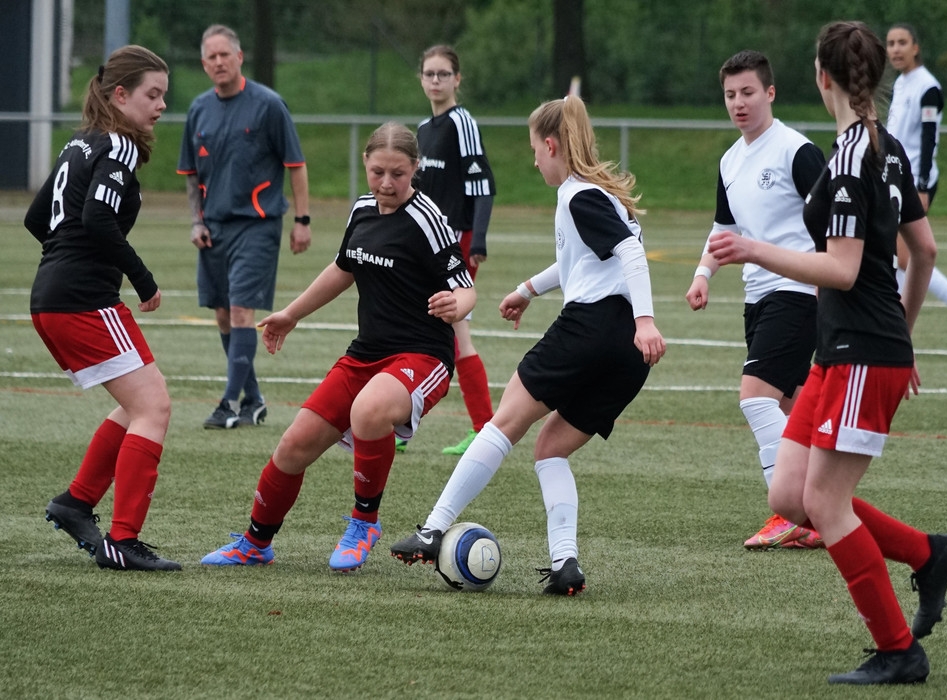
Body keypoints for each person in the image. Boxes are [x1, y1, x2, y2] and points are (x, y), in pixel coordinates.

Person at [708, 21, 947, 685]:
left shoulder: (852, 158)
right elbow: (924, 251)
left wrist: (754, 249)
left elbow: (844, 270)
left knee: (825, 504)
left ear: (821, 77)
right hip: (843, 348)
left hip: (860, 351)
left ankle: (898, 650)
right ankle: (927, 554)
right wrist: (904, 335)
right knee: (790, 494)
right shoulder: (883, 146)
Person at [391, 95, 666, 596]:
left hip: (594, 327)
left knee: (504, 423)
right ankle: (565, 564)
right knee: (550, 449)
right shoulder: (600, 195)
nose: (534, 161)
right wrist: (527, 290)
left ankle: (433, 529)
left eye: (535, 149)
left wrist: (646, 320)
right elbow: (581, 260)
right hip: (626, 354)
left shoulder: (578, 194)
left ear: (552, 145)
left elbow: (629, 252)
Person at [201, 122, 476, 571]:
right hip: (366, 353)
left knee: (368, 410)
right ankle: (254, 543)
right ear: (365, 164)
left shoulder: (428, 219)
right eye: (378, 172)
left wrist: (455, 304)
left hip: (423, 356)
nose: (386, 183)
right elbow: (343, 268)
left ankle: (364, 523)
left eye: (398, 174)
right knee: (293, 446)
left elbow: (466, 288)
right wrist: (291, 313)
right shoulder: (363, 210)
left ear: (415, 168)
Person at [25, 45, 181, 571]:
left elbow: (36, 218)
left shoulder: (82, 141)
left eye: (163, 95)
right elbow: (96, 218)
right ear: (120, 95)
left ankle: (75, 503)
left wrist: (63, 261)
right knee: (154, 407)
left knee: (137, 405)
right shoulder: (119, 144)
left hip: (53, 297)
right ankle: (124, 541)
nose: (161, 105)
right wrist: (142, 278)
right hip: (83, 300)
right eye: (152, 94)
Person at [685, 50, 825, 551]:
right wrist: (703, 274)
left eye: (748, 92)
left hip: (799, 292)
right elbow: (724, 228)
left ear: (770, 92)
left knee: (755, 398)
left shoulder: (797, 151)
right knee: (789, 409)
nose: (738, 103)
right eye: (730, 95)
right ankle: (817, 509)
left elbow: (834, 224)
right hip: (758, 297)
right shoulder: (730, 160)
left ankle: (790, 513)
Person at [177, 24, 312, 429]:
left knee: (240, 310)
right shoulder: (198, 109)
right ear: (204, 64)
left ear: (239, 58)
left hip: (257, 226)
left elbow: (296, 165)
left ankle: (229, 404)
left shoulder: (268, 105)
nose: (219, 62)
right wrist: (196, 221)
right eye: (211, 57)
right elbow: (190, 174)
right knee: (223, 315)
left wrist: (302, 220)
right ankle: (253, 400)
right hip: (213, 229)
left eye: (225, 54)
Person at [395, 45, 497, 456]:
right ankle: (399, 422)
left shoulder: (462, 122)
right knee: (415, 328)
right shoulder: (423, 129)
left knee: (456, 334)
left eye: (443, 74)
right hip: (426, 243)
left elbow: (483, 186)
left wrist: (478, 240)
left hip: (457, 243)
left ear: (457, 79)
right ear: (420, 79)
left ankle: (484, 429)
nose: (435, 80)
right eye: (429, 74)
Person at [885, 22, 947, 353]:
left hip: (915, 181)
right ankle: (903, 323)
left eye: (902, 42)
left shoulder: (928, 87)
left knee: (905, 255)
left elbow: (929, 139)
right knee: (899, 257)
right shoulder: (901, 83)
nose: (896, 49)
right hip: (897, 178)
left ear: (916, 47)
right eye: (891, 43)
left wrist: (923, 185)